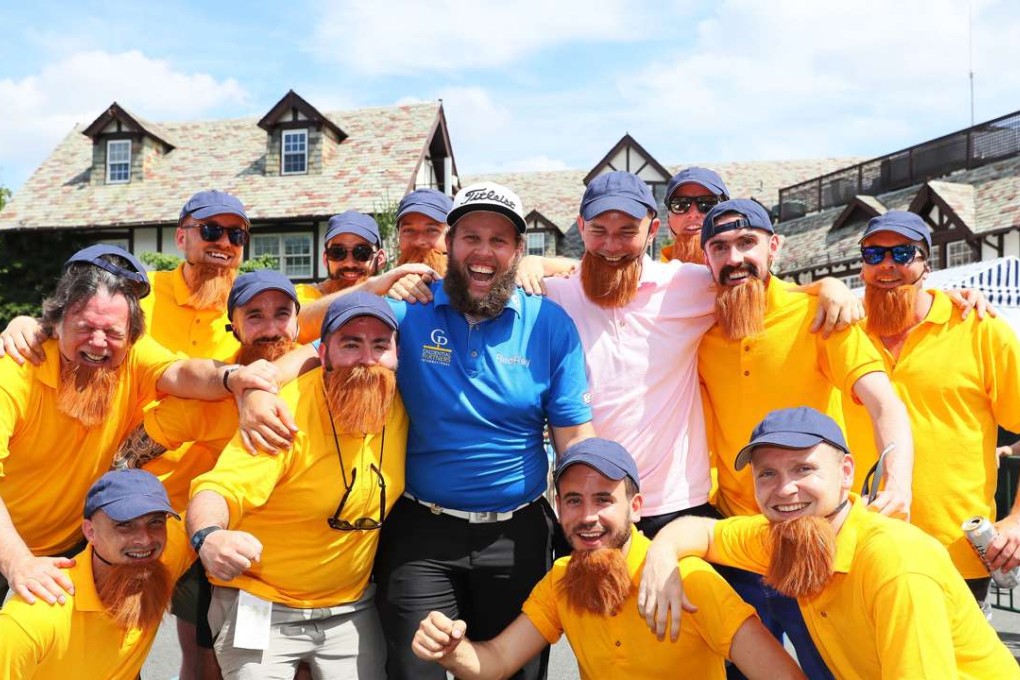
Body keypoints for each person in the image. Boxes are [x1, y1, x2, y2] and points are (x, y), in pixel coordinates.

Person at [540, 171, 862, 538]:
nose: (612, 245)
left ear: (652, 229)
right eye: (599, 231)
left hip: (678, 501)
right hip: (595, 501)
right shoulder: (557, 294)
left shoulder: (687, 284)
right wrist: (532, 264)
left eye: (627, 232)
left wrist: (830, 286)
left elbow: (757, 281)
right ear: (581, 228)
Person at [373, 181, 595, 680]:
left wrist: (591, 519)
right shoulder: (410, 309)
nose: (483, 251)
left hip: (517, 536)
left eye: (499, 240)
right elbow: (312, 334)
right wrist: (250, 383)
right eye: (471, 236)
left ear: (518, 252)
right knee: (413, 673)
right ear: (448, 244)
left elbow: (575, 439)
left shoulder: (549, 324)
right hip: (421, 534)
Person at [637, 407, 1019, 679]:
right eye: (767, 473)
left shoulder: (896, 564)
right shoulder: (783, 534)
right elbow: (701, 532)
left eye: (804, 469)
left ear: (846, 472)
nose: (785, 489)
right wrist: (662, 555)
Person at [0, 245, 275, 606]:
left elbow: (182, 372)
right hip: (10, 546)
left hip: (73, 544)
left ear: (132, 335)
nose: (99, 343)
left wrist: (233, 377)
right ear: (55, 322)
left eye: (113, 333)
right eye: (85, 327)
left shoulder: (133, 357)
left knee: (87, 654)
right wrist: (18, 562)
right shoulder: (15, 372)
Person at [411, 438, 805, 680]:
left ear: (636, 507)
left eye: (603, 499)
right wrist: (452, 650)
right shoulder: (563, 578)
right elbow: (496, 661)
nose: (587, 517)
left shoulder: (689, 579)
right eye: (573, 501)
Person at [187, 292, 407, 678]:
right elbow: (219, 488)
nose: (367, 359)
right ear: (323, 356)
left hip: (350, 607)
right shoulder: (282, 414)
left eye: (380, 345)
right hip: (261, 601)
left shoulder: (400, 402)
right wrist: (209, 536)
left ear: (397, 355)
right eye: (351, 344)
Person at [842, 210, 1020, 603]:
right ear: (861, 269)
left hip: (955, 554)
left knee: (952, 666)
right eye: (873, 255)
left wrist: (1017, 518)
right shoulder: (841, 333)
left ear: (927, 264)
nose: (887, 266)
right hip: (859, 549)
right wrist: (823, 288)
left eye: (902, 253)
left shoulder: (980, 328)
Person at [0, 469, 193, 679]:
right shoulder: (34, 619)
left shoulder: (159, 559)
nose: (145, 539)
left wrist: (213, 534)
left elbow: (222, 490)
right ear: (90, 532)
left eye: (155, 522)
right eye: (125, 526)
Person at [295, 211, 387, 343]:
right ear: (326, 259)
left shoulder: (392, 300)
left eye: (362, 252)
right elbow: (297, 324)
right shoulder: (304, 294)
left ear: (380, 259)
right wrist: (369, 287)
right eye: (337, 252)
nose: (349, 263)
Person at [660, 167, 729, 263]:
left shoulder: (750, 274)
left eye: (707, 204)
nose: (693, 214)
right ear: (668, 220)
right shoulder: (650, 276)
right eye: (680, 205)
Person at [395, 188, 453, 275]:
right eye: (408, 231)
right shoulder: (381, 287)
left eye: (431, 230)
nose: (418, 241)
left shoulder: (472, 287)